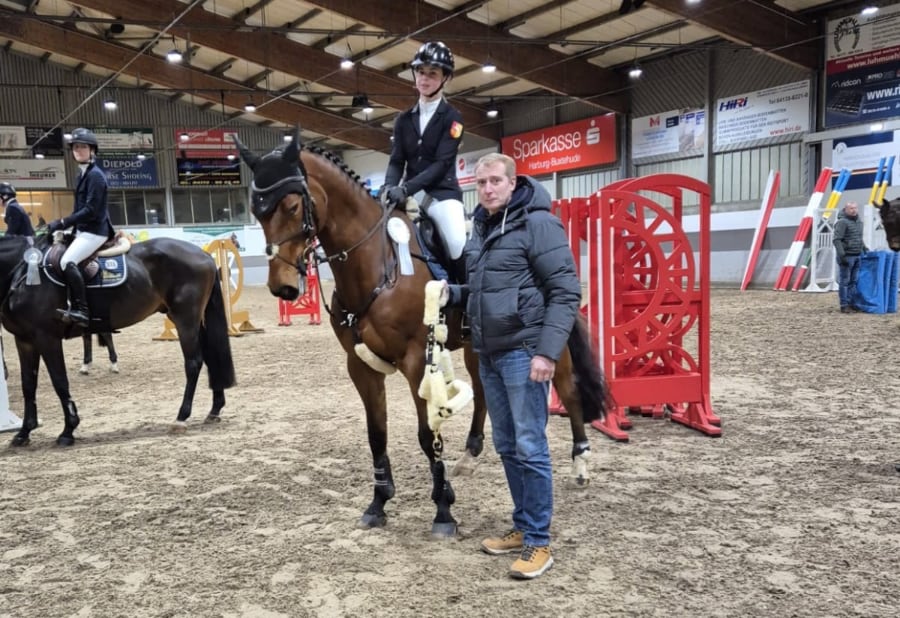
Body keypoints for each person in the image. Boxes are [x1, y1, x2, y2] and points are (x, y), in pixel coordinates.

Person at [441, 153, 581, 580]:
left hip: (524, 353)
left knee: (531, 446)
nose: (486, 189)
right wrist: (454, 292)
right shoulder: (481, 228)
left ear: (512, 181)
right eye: (480, 182)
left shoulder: (537, 223)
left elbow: (566, 291)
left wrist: (547, 352)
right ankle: (523, 527)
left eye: (494, 181)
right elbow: (492, 288)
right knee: (505, 445)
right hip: (489, 354)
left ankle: (539, 541)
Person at [382, 41, 468, 280]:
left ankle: (465, 299)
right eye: (420, 72)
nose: (424, 78)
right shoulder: (403, 119)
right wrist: (390, 187)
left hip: (442, 195)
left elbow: (441, 165)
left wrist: (406, 188)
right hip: (409, 195)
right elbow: (397, 160)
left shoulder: (453, 118)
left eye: (432, 73)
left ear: (445, 79)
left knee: (455, 241)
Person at [47, 127, 114, 327]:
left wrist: (62, 222)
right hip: (84, 230)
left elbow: (91, 210)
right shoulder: (82, 175)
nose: (78, 151)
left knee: (68, 261)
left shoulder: (95, 176)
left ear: (92, 150)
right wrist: (69, 230)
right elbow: (80, 208)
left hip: (96, 231)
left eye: (83, 147)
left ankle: (81, 309)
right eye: (75, 147)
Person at [833, 200, 867, 313]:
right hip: (847, 256)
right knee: (845, 281)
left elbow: (858, 238)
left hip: (857, 255)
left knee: (854, 281)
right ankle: (844, 304)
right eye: (851, 208)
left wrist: (864, 248)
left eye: (855, 208)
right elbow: (837, 240)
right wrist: (842, 255)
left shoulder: (859, 222)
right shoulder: (842, 222)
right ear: (846, 209)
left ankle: (851, 302)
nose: (854, 210)